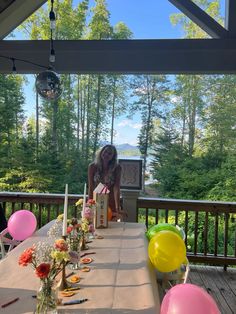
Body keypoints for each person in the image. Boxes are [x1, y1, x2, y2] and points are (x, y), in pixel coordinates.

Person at [88, 144, 125, 221]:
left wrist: (118, 206)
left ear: (113, 156)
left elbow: (116, 188)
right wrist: (89, 203)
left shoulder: (117, 168)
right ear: (101, 152)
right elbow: (91, 186)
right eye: (105, 152)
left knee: (111, 226)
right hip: (97, 201)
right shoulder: (92, 167)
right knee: (96, 224)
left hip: (111, 201)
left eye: (110, 153)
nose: (106, 155)